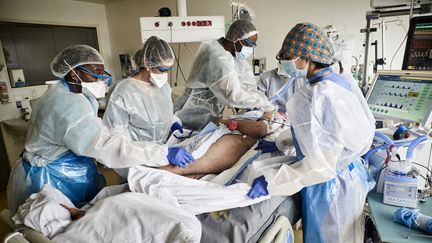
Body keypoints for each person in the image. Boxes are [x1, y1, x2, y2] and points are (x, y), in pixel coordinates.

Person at [7, 45, 194, 212]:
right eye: (96, 73)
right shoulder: (68, 106)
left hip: (69, 168)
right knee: (62, 227)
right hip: (50, 178)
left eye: (103, 73)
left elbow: (99, 133)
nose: (102, 79)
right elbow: (107, 145)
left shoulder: (71, 93)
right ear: (74, 73)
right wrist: (162, 153)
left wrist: (172, 125)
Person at [247, 23, 375, 243]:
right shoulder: (340, 82)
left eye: (287, 56)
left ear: (306, 58)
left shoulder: (313, 96)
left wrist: (272, 181)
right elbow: (323, 133)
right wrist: (280, 143)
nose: (283, 61)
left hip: (329, 188)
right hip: (349, 176)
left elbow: (319, 166)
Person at [103, 36, 194, 178]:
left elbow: (161, 112)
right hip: (136, 161)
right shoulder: (123, 93)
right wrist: (161, 154)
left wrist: (173, 122)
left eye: (169, 69)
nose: (165, 74)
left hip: (162, 155)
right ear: (147, 64)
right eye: (162, 69)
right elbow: (116, 142)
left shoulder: (163, 87)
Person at [174, 19, 275, 131]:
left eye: (253, 46)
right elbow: (234, 95)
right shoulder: (216, 56)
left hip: (209, 118)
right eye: (249, 44)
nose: (250, 49)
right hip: (191, 117)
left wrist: (265, 103)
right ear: (236, 39)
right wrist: (266, 105)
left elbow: (248, 86)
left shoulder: (233, 56)